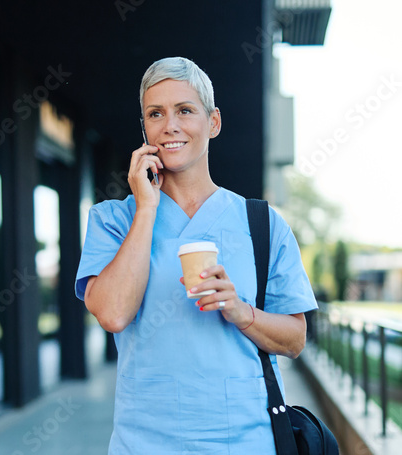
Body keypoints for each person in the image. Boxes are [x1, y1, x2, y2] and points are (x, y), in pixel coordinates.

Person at [75, 56, 317, 454]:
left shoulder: (262, 223)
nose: (170, 125)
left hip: (245, 442)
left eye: (185, 110)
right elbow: (114, 313)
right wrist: (146, 208)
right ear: (145, 129)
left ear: (214, 123)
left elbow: (294, 339)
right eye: (156, 114)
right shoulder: (114, 220)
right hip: (144, 443)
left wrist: (241, 311)